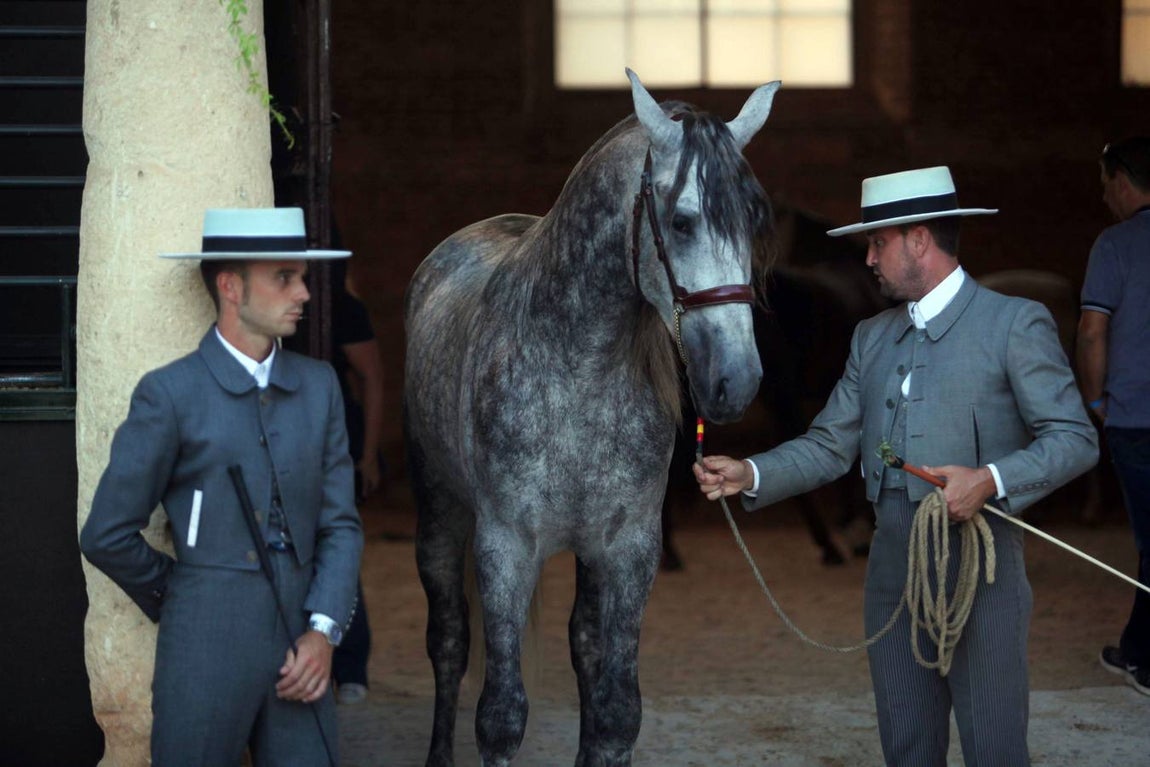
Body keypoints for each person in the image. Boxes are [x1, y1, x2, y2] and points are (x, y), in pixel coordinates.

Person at [694, 166, 1098, 765]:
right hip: (891, 577)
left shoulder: (1015, 324)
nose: (869, 259)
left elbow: (1075, 438)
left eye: (877, 243)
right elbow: (830, 445)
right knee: (906, 749)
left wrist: (991, 480)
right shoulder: (870, 338)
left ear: (919, 240)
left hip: (983, 580)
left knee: (994, 749)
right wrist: (751, 473)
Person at [80, 207, 364, 766]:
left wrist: (324, 632)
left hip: (302, 648)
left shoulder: (320, 386)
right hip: (201, 648)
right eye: (284, 278)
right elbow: (106, 534)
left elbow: (341, 525)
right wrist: (186, 591)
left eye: (302, 277)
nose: (304, 293)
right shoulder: (170, 393)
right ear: (231, 287)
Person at [1077, 136, 1150, 697]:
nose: (1104, 198)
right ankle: (1135, 649)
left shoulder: (1115, 244)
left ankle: (1144, 659)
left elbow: (1092, 330)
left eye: (1106, 186)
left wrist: (1096, 399)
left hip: (1136, 416)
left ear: (1123, 182)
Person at [328, 255, 383, 704]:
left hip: (338, 440)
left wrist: (367, 454)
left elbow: (372, 377)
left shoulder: (342, 306)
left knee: (338, 544)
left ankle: (350, 664)